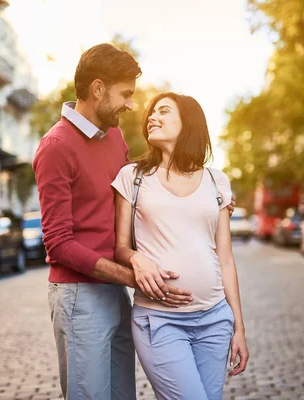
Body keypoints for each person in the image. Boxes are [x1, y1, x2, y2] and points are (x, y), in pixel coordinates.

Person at [32, 44, 195, 400]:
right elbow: (58, 243)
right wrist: (132, 277)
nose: (131, 105)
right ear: (98, 89)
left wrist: (202, 194)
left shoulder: (115, 136)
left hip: (114, 290)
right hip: (78, 297)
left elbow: (132, 202)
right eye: (126, 94)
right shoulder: (55, 147)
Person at [112, 92, 249, 400]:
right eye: (151, 113)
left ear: (188, 122)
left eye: (163, 111)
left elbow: (225, 259)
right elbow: (119, 246)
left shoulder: (217, 181)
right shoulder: (132, 177)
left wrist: (238, 327)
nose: (151, 117)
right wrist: (136, 258)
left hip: (215, 320)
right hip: (159, 321)